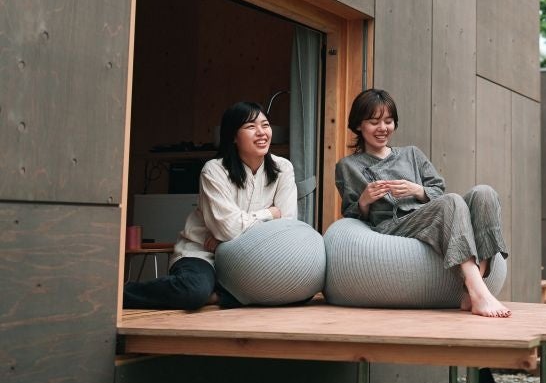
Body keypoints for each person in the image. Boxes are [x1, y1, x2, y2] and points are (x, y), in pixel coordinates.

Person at [334, 88, 511, 318]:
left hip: (427, 214)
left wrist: (417, 190)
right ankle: (479, 293)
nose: (383, 128)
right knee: (452, 202)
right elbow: (351, 216)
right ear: (359, 125)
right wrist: (364, 201)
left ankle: (472, 290)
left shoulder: (412, 154)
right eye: (374, 122)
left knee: (485, 194)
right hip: (394, 224)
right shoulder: (348, 166)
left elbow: (438, 189)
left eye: (388, 121)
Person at [124, 101, 297, 309]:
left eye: (265, 125)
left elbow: (286, 226)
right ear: (233, 136)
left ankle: (216, 296)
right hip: (203, 253)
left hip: (252, 257)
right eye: (251, 126)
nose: (261, 132)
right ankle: (120, 294)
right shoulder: (214, 170)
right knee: (193, 292)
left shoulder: (283, 168)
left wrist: (225, 240)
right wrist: (269, 213)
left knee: (297, 290)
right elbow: (228, 228)